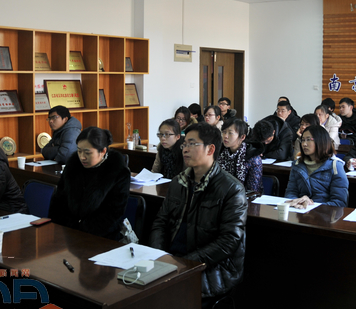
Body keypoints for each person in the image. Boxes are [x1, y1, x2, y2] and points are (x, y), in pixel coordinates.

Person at [150, 123, 247, 298]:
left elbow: (229, 241)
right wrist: (159, 255)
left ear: (210, 149)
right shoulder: (178, 182)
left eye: (192, 144)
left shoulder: (232, 189)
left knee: (164, 297)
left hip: (212, 267)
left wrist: (186, 263)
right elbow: (160, 222)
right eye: (184, 144)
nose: (185, 149)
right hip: (172, 259)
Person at [50, 127, 131, 240]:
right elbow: (58, 202)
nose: (82, 157)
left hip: (102, 237)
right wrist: (69, 228)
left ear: (103, 151)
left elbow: (113, 215)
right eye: (79, 151)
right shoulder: (73, 166)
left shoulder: (118, 172)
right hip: (69, 233)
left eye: (87, 153)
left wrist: (81, 229)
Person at [285, 126, 348, 208]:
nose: (304, 144)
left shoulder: (335, 166)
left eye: (308, 139)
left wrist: (311, 205)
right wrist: (296, 202)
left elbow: (339, 202)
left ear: (321, 141)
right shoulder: (297, 164)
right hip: (299, 210)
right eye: (303, 140)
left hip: (324, 212)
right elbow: (291, 192)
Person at [218, 118, 263, 193]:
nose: (225, 136)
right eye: (224, 132)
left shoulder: (253, 158)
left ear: (242, 137)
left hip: (245, 197)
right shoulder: (220, 154)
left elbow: (252, 190)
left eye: (230, 133)